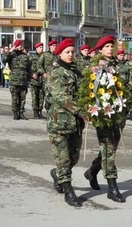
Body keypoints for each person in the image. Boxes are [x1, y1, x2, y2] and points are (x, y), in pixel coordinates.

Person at [80, 35, 130, 203]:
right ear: (100, 49)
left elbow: (122, 88)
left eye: (112, 46)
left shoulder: (117, 65)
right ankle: (112, 187)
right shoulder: (95, 67)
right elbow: (89, 90)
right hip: (102, 115)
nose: (110, 48)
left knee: (110, 149)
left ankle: (92, 171)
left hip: (117, 113)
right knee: (108, 149)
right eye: (107, 46)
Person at [47, 38, 88, 207]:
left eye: (72, 52)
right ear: (60, 53)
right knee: (63, 159)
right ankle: (68, 191)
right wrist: (81, 111)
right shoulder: (56, 73)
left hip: (76, 123)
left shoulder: (76, 72)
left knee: (74, 157)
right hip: (60, 123)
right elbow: (61, 97)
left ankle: (58, 174)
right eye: (67, 52)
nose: (71, 54)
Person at [3, 40, 31, 120]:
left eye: (22, 45)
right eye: (19, 45)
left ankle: (21, 113)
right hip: (14, 80)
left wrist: (29, 79)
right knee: (15, 98)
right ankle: (15, 113)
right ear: (15, 46)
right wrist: (10, 51)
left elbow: (29, 68)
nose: (21, 46)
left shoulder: (25, 56)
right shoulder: (11, 55)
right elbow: (4, 60)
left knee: (23, 98)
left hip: (23, 80)